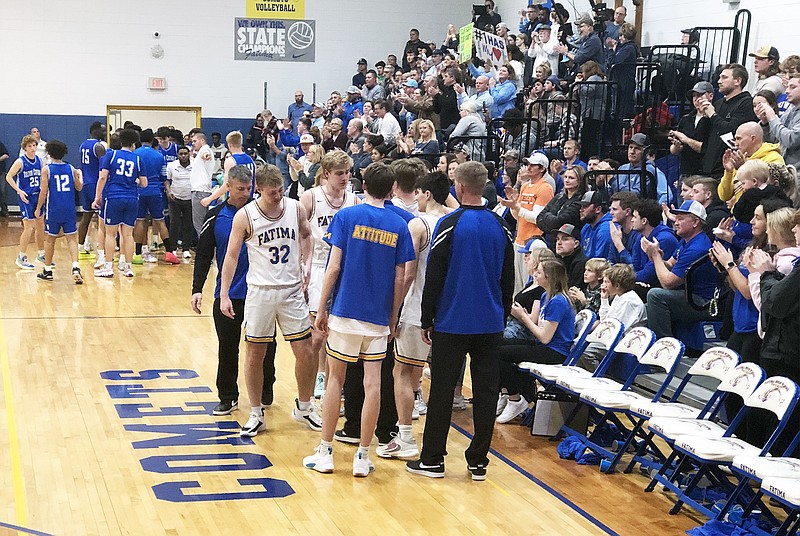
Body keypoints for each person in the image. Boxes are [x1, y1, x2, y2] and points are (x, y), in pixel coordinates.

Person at [303, 162, 414, 478]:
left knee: (336, 379)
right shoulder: (398, 225)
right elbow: (400, 276)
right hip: (377, 318)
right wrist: (392, 316)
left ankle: (325, 452)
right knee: (373, 384)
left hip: (345, 313)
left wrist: (322, 307)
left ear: (363, 185)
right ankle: (363, 457)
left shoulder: (346, 217)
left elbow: (334, 267)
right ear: (392, 189)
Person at [406, 161, 514, 481]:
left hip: (452, 322)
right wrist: (502, 314)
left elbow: (435, 274)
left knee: (441, 391)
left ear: (460, 187)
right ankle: (479, 461)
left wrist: (426, 317)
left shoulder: (450, 224)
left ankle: (433, 460)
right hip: (491, 324)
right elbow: (507, 278)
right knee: (485, 393)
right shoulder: (501, 225)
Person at [219, 164, 320, 438]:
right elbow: (230, 256)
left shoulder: (295, 208)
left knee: (306, 350)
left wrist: (307, 264)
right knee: (255, 354)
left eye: (281, 190)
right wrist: (224, 293)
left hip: (291, 290)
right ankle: (256, 412)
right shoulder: (245, 216)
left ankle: (306, 406)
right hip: (260, 292)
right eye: (272, 192)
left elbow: (308, 235)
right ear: (258, 190)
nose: (278, 196)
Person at [376, 171, 451, 460]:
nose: (416, 198)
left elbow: (406, 274)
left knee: (402, 373)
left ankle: (405, 436)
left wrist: (393, 310)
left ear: (428, 194)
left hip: (416, 308)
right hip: (444, 311)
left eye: (419, 193)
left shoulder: (418, 225)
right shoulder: (452, 221)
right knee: (417, 374)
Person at [191, 164, 277, 415]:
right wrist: (197, 289)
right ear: (227, 186)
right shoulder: (217, 216)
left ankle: (264, 392)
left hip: (260, 293)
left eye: (249, 189)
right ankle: (228, 396)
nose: (245, 193)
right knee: (227, 348)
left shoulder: (263, 213)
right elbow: (204, 254)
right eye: (240, 189)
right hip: (228, 294)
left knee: (266, 347)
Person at [299, 150, 360, 400]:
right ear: (326, 174)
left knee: (338, 330)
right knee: (317, 332)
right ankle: (316, 377)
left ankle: (334, 378)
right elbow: (299, 235)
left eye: (347, 172)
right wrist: (303, 266)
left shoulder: (354, 201)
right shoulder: (311, 197)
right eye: (339, 173)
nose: (345, 177)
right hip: (319, 265)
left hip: (344, 268)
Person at [496, 258, 575, 424]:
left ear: (550, 277)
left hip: (555, 352)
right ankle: (509, 393)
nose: (534, 275)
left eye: (539, 272)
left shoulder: (558, 301)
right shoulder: (546, 295)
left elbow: (545, 338)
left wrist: (523, 317)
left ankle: (515, 399)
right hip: (544, 346)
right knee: (495, 344)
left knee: (499, 354)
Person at [642, 200, 718, 339]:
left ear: (695, 222)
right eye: (676, 218)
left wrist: (655, 256)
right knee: (646, 307)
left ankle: (664, 347)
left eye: (681, 219)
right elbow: (670, 265)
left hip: (703, 302)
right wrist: (655, 256)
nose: (675, 222)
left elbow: (668, 282)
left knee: (656, 296)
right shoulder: (686, 240)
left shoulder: (698, 247)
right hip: (689, 296)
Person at [92, 129, 146, 278]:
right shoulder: (137, 159)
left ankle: (108, 267)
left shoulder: (111, 155)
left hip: (114, 197)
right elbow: (144, 183)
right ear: (134, 143)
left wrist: (97, 197)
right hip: (132, 198)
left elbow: (102, 178)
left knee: (110, 233)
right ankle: (128, 267)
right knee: (128, 234)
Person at [33, 140, 83, 283]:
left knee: (50, 240)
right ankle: (75, 267)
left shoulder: (46, 170)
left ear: (48, 153)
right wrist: (79, 176)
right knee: (72, 238)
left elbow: (43, 192)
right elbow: (79, 187)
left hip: (54, 208)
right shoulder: (71, 168)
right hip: (69, 208)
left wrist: (38, 208)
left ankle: (47, 270)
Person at [700, 64, 758, 178]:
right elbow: (705, 135)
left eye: (724, 77)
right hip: (708, 167)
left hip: (727, 169)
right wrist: (704, 116)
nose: (719, 81)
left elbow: (731, 132)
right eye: (719, 77)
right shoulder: (718, 103)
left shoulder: (746, 103)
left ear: (737, 81)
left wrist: (712, 114)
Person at [133, 130, 178, 265]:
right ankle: (170, 253)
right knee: (160, 221)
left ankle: (138, 254)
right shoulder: (159, 156)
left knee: (140, 221)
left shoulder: (135, 154)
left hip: (139, 191)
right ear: (153, 140)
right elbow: (164, 176)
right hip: (155, 191)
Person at [6, 134, 46, 269]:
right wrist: (18, 190)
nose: (33, 148)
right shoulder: (20, 161)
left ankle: (41, 253)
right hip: (26, 197)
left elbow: (43, 177)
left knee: (40, 226)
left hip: (37, 196)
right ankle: (21, 257)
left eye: (34, 145)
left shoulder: (40, 161)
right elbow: (9, 177)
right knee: (29, 227)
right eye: (30, 146)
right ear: (25, 148)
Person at [670, 81, 714, 177]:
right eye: (694, 96)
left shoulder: (715, 120)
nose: (696, 99)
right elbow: (673, 151)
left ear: (710, 96)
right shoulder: (686, 119)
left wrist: (686, 140)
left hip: (706, 175)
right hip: (685, 172)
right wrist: (676, 147)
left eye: (700, 95)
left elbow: (708, 149)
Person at [77, 122, 107, 256]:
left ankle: (81, 246)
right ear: (95, 131)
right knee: (103, 219)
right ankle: (103, 252)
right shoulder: (98, 147)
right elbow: (106, 164)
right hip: (96, 185)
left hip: (85, 184)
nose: (105, 134)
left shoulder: (82, 145)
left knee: (86, 216)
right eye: (103, 131)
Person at [759, 73, 800, 168]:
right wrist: (765, 123)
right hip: (782, 168)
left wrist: (772, 118)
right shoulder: (790, 110)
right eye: (787, 87)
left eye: (792, 87)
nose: (787, 91)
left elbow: (791, 140)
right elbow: (774, 139)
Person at [165, 145, 193, 258]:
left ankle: (186, 249)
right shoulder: (172, 166)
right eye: (181, 154)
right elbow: (167, 181)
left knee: (188, 224)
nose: (183, 156)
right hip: (175, 198)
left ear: (189, 154)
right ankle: (173, 248)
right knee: (174, 224)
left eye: (185, 154)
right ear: (177, 155)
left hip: (190, 198)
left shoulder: (195, 166)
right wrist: (168, 191)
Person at [189, 132, 215, 237]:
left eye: (195, 141)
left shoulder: (205, 149)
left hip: (200, 192)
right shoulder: (199, 153)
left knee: (199, 223)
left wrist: (206, 156)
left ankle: (204, 249)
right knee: (201, 223)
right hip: (201, 191)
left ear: (202, 140)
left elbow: (206, 154)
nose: (193, 143)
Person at [578, 189, 613, 260]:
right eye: (581, 206)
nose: (581, 210)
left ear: (598, 209)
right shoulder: (586, 227)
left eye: (585, 206)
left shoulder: (605, 230)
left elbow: (600, 262)